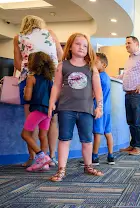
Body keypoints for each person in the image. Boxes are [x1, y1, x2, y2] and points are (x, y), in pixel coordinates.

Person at [48, 33, 104, 182]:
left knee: (87, 140)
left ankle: (88, 166)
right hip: (66, 109)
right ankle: (61, 169)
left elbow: (98, 90)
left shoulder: (91, 67)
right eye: (78, 44)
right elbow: (56, 86)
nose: (82, 47)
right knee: (64, 139)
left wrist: (99, 107)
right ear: (71, 46)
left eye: (85, 45)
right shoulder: (63, 66)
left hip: (86, 109)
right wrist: (52, 102)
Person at [13, 15, 63, 167]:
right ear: (41, 24)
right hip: (52, 79)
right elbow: (61, 56)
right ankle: (51, 157)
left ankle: (33, 157)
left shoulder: (18, 37)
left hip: (29, 78)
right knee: (51, 120)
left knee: (31, 120)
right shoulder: (50, 33)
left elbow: (17, 63)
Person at [117, 36, 140, 156]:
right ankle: (133, 144)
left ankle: (138, 146)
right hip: (128, 94)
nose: (126, 45)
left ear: (136, 44)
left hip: (138, 94)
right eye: (126, 43)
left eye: (129, 43)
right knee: (131, 121)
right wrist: (115, 77)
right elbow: (127, 75)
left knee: (138, 121)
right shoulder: (129, 59)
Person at [20, 52, 55, 171]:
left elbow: (28, 98)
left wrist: (25, 90)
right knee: (43, 135)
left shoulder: (31, 78)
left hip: (37, 110)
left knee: (25, 134)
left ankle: (42, 157)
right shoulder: (50, 79)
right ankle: (44, 163)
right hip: (48, 111)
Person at [91, 53, 115, 165]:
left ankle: (94, 157)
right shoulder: (106, 77)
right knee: (108, 132)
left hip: (99, 108)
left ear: (103, 65)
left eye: (96, 63)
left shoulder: (99, 77)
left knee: (97, 133)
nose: (93, 65)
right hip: (108, 108)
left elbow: (94, 94)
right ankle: (111, 156)